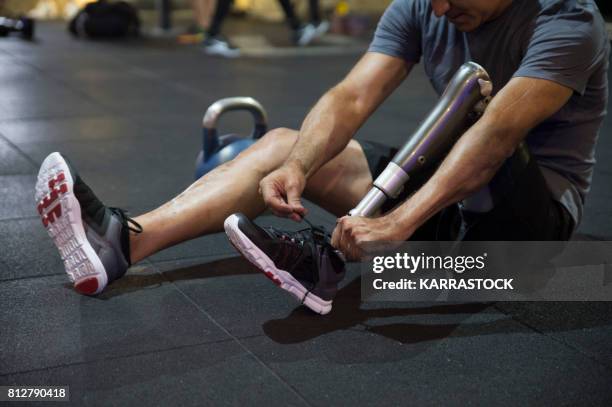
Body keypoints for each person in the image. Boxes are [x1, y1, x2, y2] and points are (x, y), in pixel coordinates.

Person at [36, 0, 609, 314]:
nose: (437, 7)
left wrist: (397, 221)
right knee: (283, 143)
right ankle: (122, 241)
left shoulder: (568, 19)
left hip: (526, 238)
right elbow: (351, 95)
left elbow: (495, 142)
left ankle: (329, 261)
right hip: (451, 192)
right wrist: (298, 167)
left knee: (478, 108)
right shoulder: (425, 6)